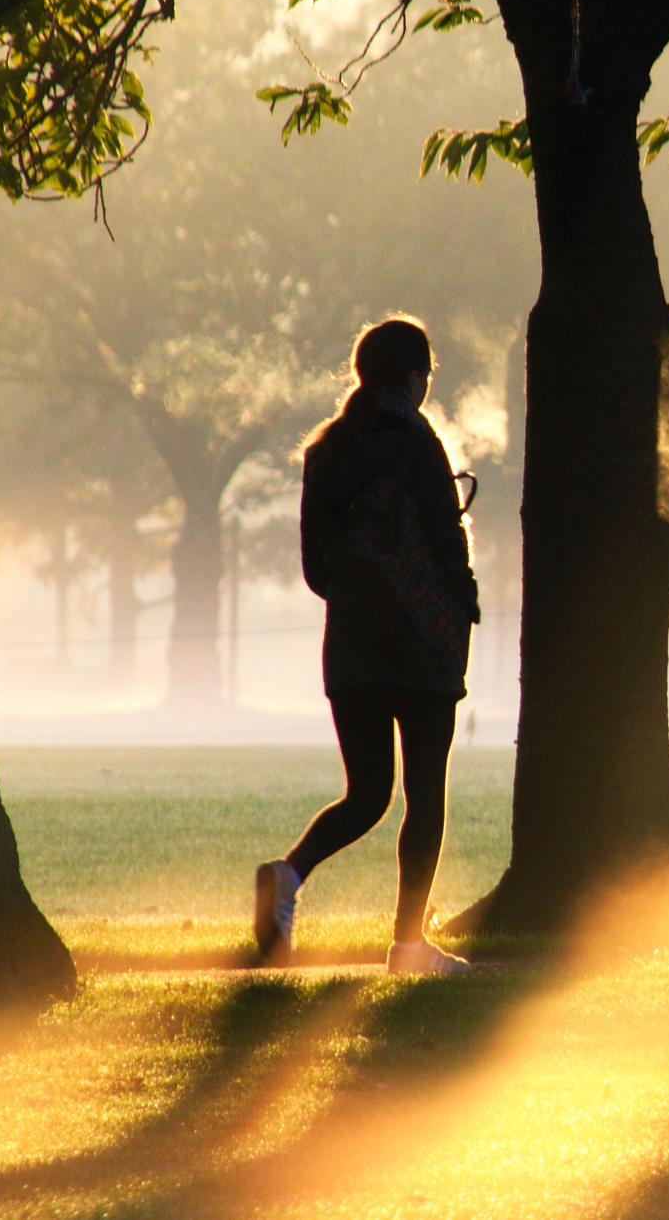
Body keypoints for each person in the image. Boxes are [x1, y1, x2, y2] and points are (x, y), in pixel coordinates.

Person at [254, 316, 478, 974]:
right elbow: (446, 541)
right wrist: (460, 606)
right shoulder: (417, 441)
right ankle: (409, 945)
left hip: (351, 649)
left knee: (368, 793)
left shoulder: (325, 451)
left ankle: (289, 876)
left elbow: (317, 570)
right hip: (423, 650)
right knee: (425, 795)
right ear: (413, 377)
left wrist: (362, 601)